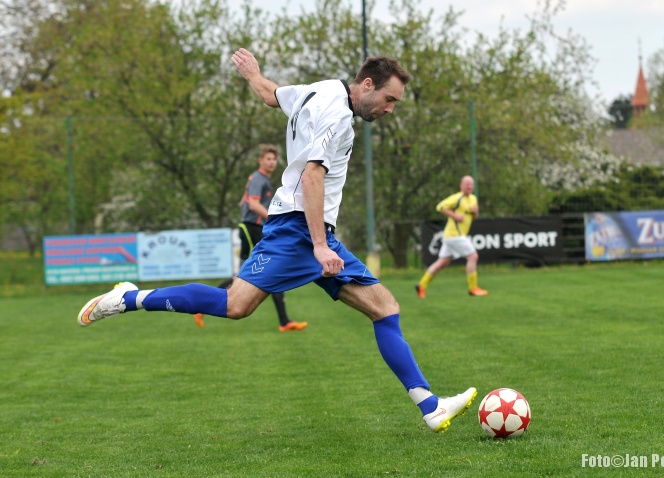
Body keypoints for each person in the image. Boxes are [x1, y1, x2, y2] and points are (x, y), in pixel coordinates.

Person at [78, 48, 477, 433]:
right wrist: (319, 246)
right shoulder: (338, 115)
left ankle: (430, 406)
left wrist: (253, 75)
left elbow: (272, 95)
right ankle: (129, 298)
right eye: (389, 99)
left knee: (385, 308)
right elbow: (313, 176)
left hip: (310, 229)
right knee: (235, 305)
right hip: (299, 230)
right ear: (368, 84)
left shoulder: (320, 89)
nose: (390, 109)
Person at [193, 145, 308, 332]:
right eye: (268, 159)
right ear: (260, 160)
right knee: (254, 271)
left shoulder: (260, 179)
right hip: (251, 228)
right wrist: (273, 218)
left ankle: (285, 321)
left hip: (255, 227)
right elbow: (253, 204)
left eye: (274, 159)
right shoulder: (258, 178)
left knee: (270, 267)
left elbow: (244, 201)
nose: (271, 162)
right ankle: (201, 306)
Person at [416, 176, 488, 298]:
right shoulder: (457, 198)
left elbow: (473, 217)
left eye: (471, 184)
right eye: (467, 184)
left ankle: (422, 285)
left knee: (442, 263)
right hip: (455, 235)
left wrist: (475, 212)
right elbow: (440, 207)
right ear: (461, 185)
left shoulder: (473, 199)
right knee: (473, 256)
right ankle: (473, 288)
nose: (469, 186)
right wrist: (455, 216)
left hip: (452, 236)